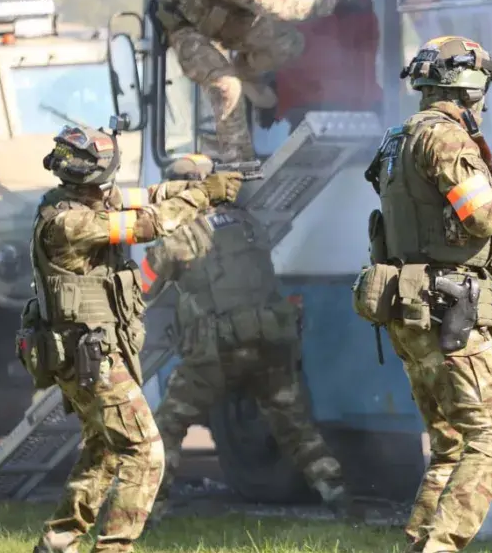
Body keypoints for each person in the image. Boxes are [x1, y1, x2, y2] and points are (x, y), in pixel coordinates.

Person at [18, 124, 244, 553]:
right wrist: (206, 197)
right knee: (145, 450)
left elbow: (151, 194)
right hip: (87, 354)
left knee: (104, 448)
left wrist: (202, 186)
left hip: (84, 351)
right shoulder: (71, 222)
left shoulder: (78, 201)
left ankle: (56, 550)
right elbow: (150, 223)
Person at [356, 37, 492, 553]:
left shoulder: (400, 138)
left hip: (411, 306)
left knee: (451, 443)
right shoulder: (447, 136)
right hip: (445, 309)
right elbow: (480, 214)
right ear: (470, 87)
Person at [140, 154, 353, 525]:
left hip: (216, 353)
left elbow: (142, 286)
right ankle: (338, 496)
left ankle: (148, 510)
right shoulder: (247, 222)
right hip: (269, 343)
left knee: (166, 428)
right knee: (295, 426)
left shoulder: (183, 233)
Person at [146, 0, 372, 164]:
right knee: (227, 86)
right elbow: (276, 6)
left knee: (288, 43)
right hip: (183, 23)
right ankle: (238, 164)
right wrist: (336, 3)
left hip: (221, 13)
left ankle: (245, 74)